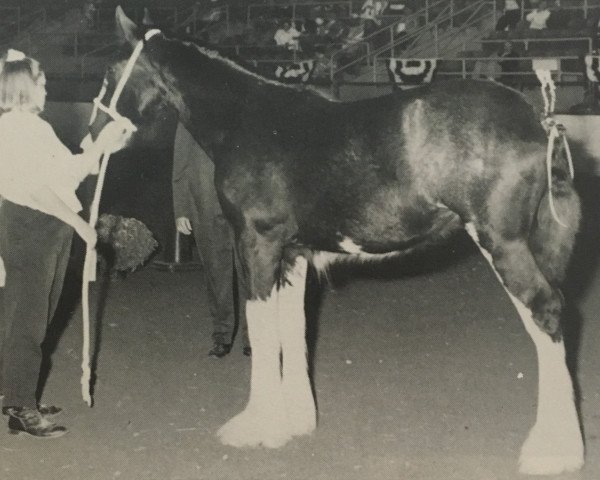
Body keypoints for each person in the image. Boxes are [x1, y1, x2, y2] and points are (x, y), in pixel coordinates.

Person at [0, 49, 132, 438]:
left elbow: (66, 175)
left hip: (44, 227)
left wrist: (104, 145)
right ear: (25, 87)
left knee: (31, 315)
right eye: (41, 82)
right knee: (28, 320)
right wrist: (80, 224)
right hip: (34, 226)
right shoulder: (15, 129)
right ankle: (21, 404)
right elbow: (36, 190)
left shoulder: (33, 127)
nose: (46, 88)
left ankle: (17, 396)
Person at [172, 122, 250, 359]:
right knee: (216, 273)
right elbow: (180, 166)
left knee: (250, 272)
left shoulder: (242, 108)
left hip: (243, 206)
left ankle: (254, 336)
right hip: (204, 205)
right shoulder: (189, 118)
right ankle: (222, 335)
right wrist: (181, 209)